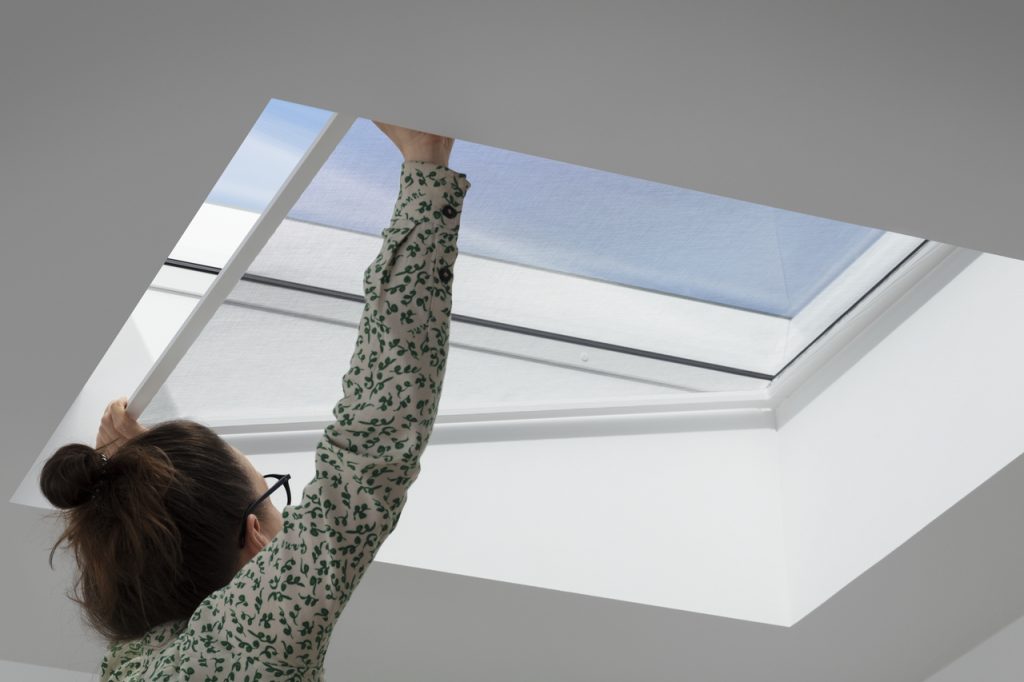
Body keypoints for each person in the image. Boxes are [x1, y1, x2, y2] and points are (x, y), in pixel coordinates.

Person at [39, 121, 470, 681]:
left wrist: (425, 169)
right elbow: (365, 452)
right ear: (252, 537)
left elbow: (369, 453)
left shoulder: (162, 662)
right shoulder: (235, 644)